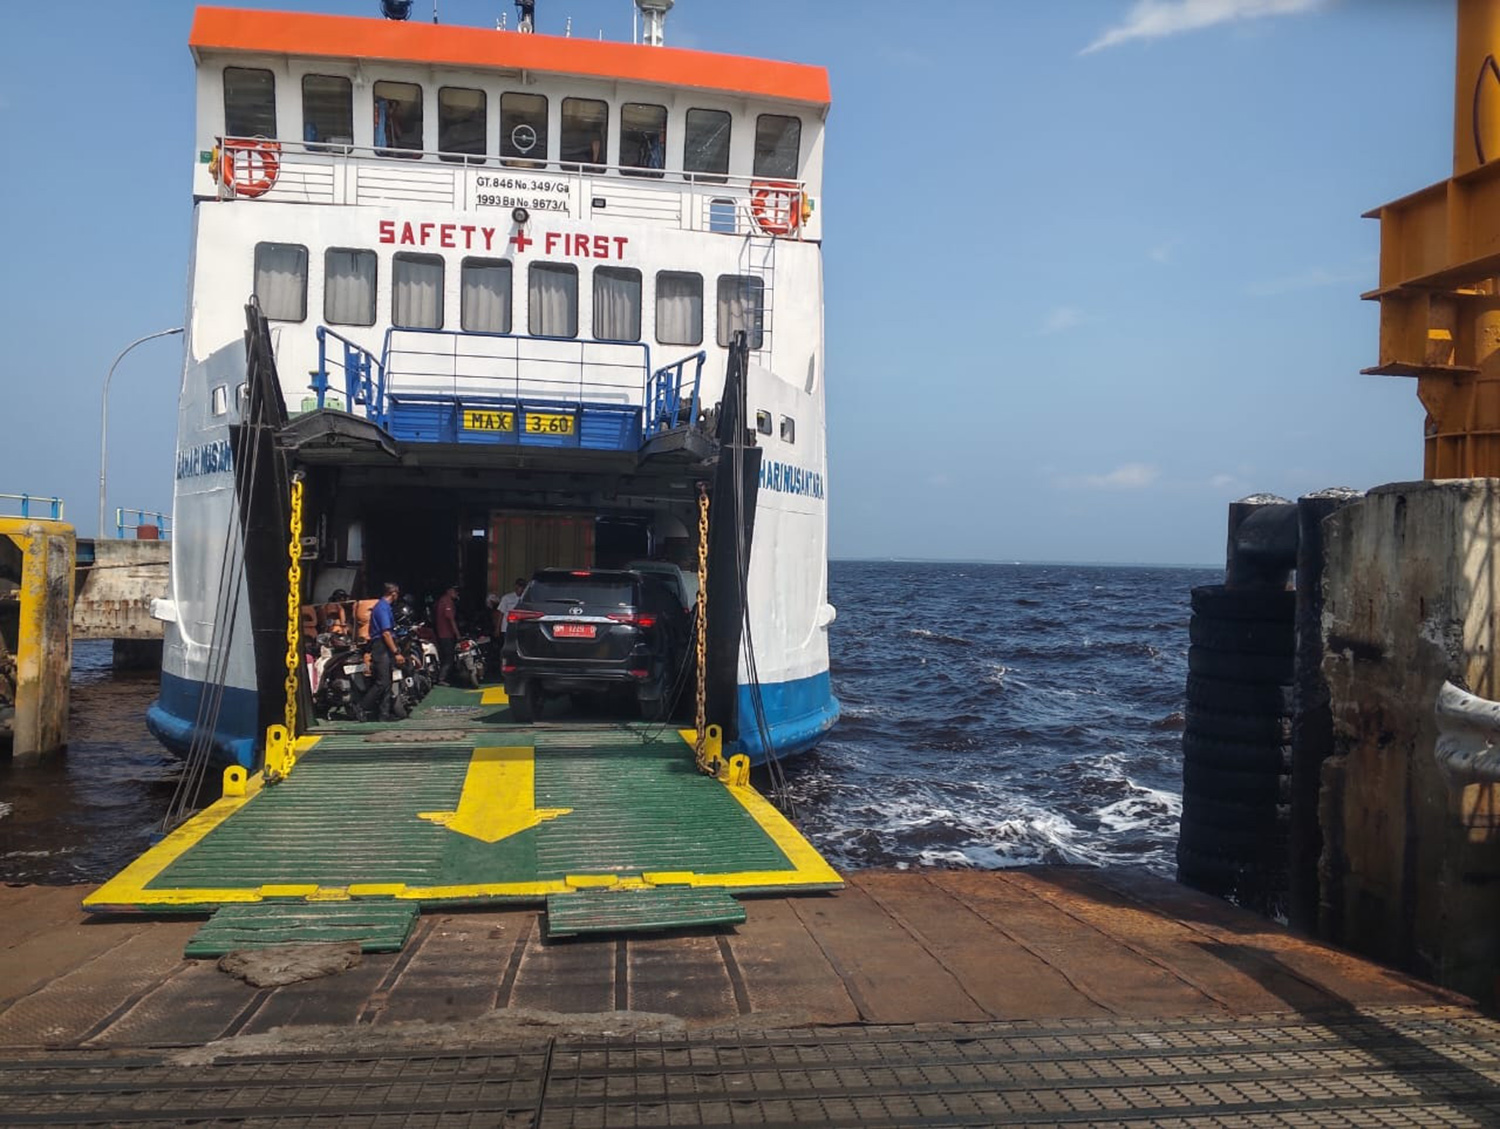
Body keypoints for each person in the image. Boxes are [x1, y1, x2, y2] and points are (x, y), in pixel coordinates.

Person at [359, 582, 405, 721]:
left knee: (388, 682)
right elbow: (386, 633)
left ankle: (384, 715)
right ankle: (361, 707)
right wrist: (396, 652)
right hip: (381, 646)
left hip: (384, 645)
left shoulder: (384, 607)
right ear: (393, 593)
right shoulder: (383, 608)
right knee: (382, 682)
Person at [433, 582, 460, 684]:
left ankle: (446, 676)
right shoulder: (447, 601)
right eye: (454, 591)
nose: (456, 593)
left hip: (443, 633)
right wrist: (457, 634)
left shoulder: (443, 600)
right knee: (448, 657)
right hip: (446, 634)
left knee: (447, 656)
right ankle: (442, 678)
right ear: (448, 591)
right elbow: (450, 619)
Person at [497, 578, 526, 642]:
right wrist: (498, 628)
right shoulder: (507, 598)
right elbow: (501, 613)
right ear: (516, 586)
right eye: (520, 587)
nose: (521, 589)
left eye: (523, 587)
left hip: (519, 627)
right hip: (506, 628)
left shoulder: (525, 599)